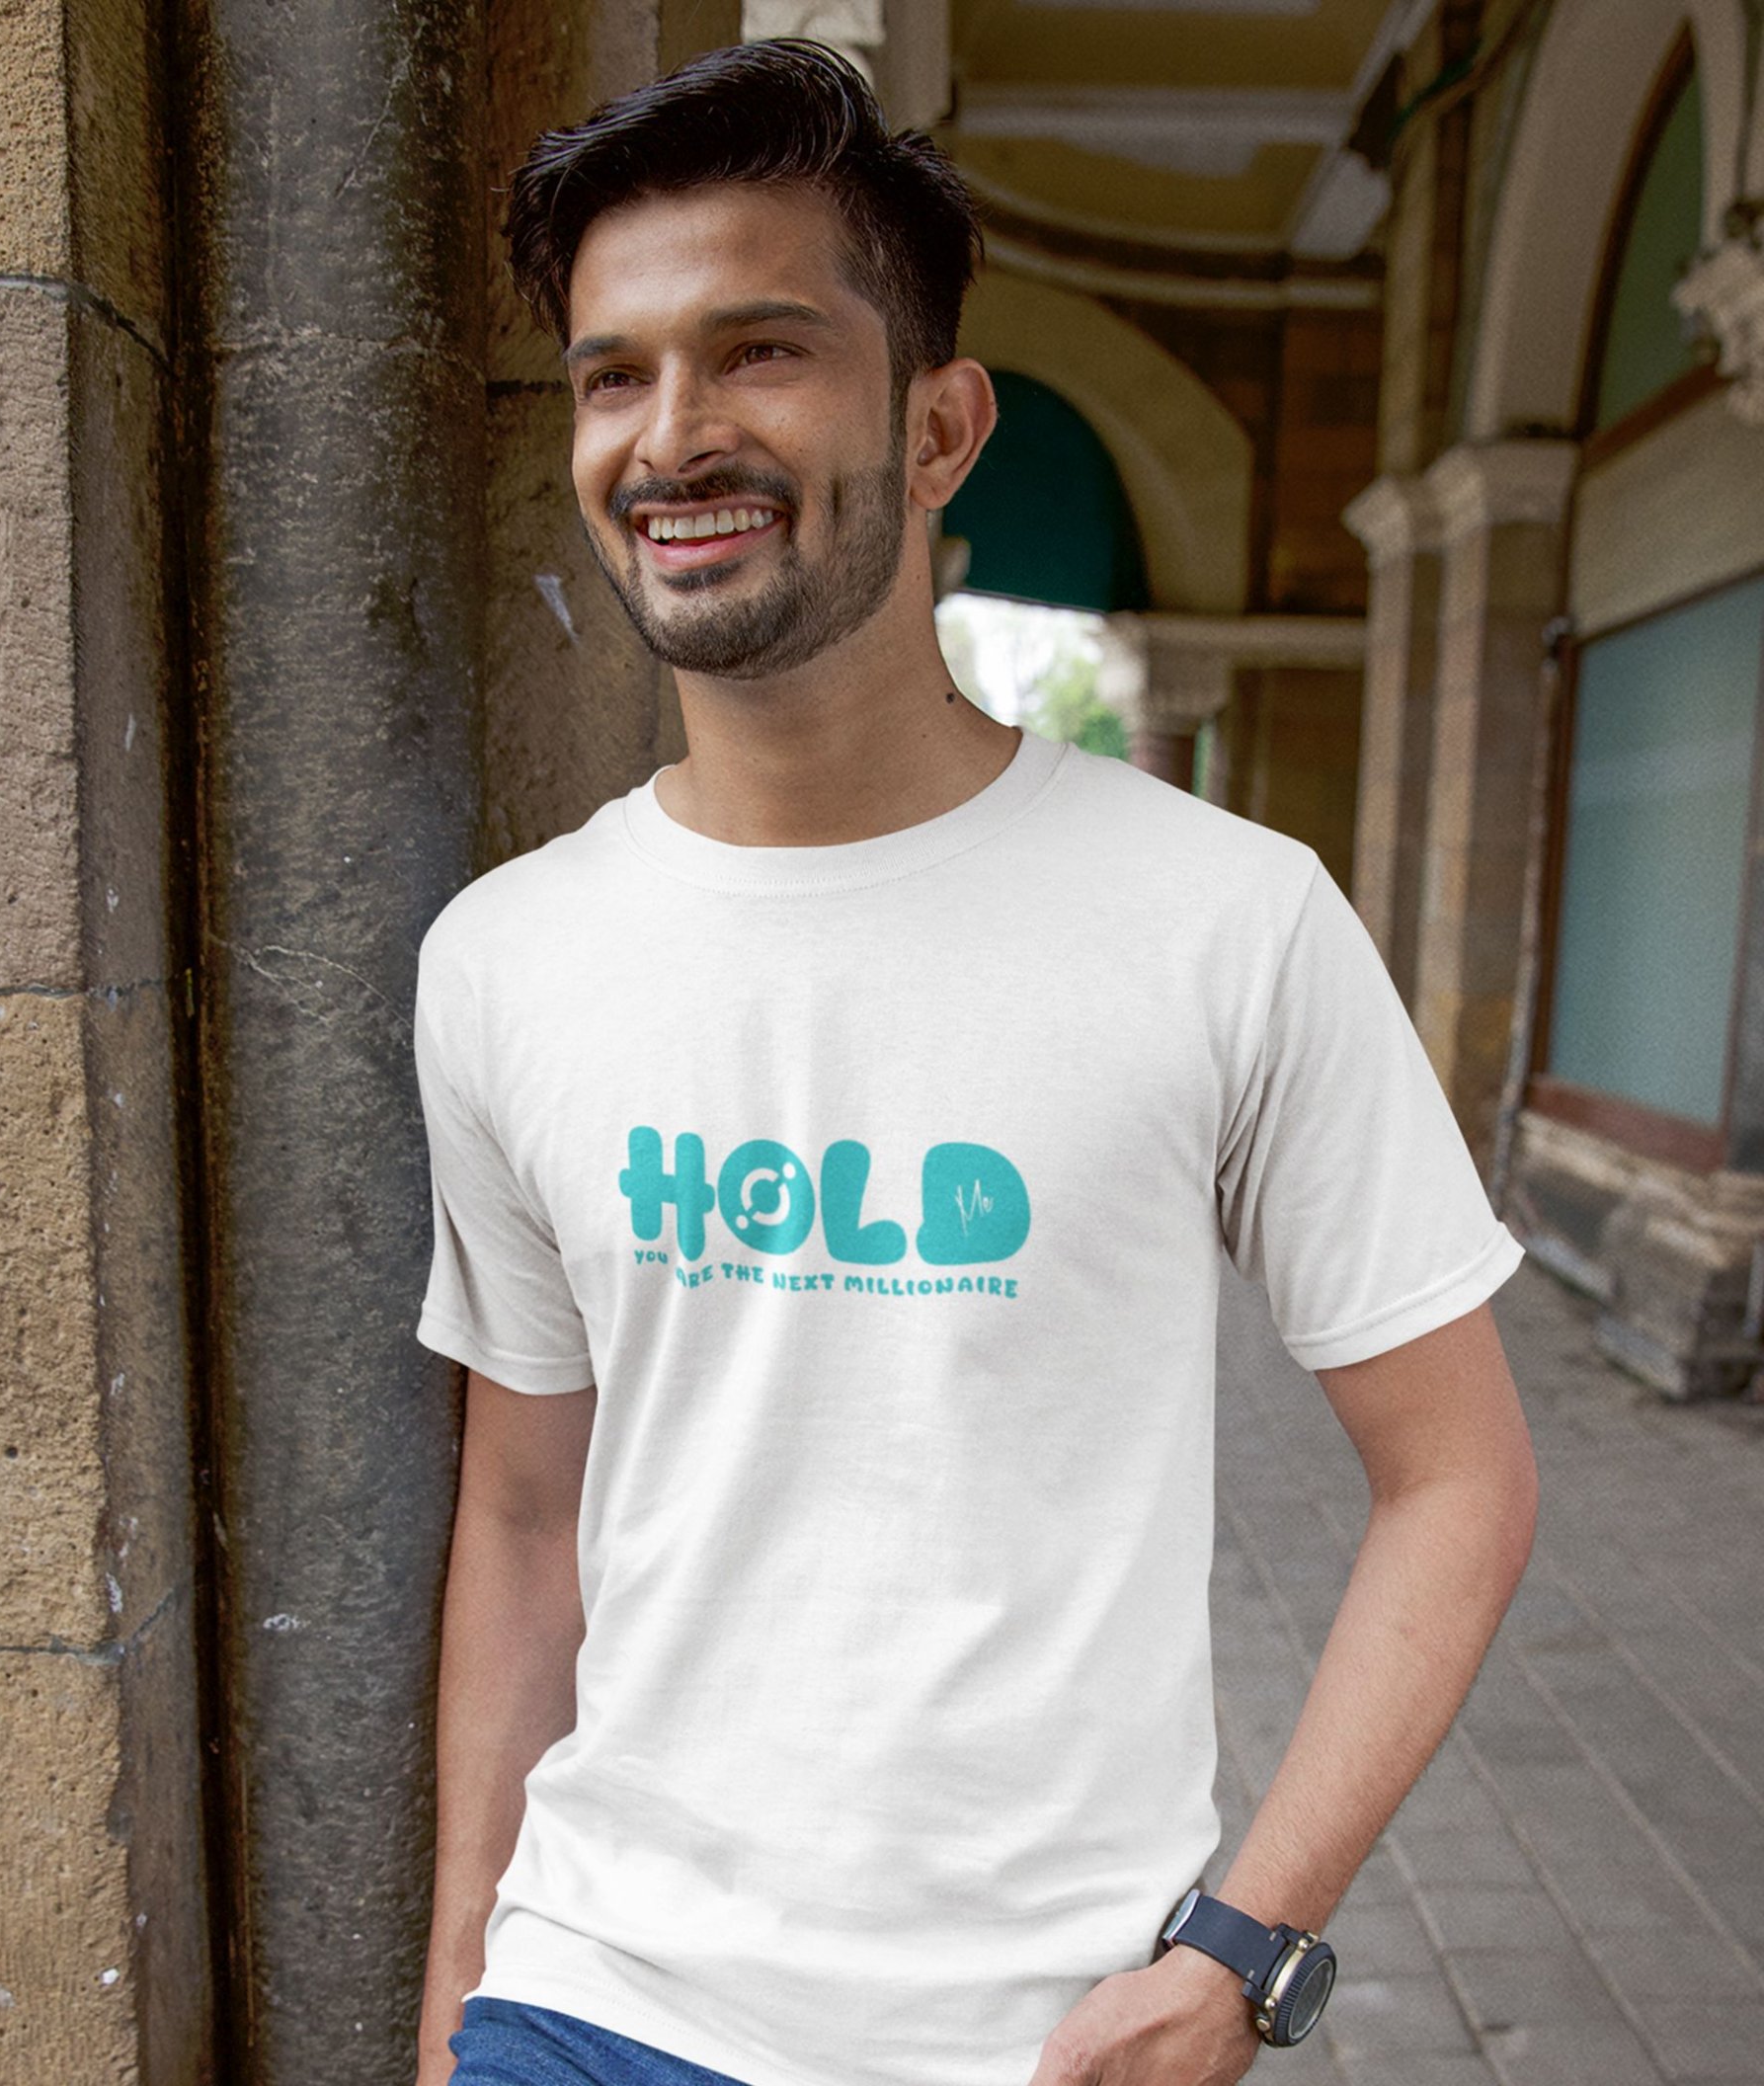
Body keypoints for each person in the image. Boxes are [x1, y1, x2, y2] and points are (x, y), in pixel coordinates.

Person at [411, 38, 1539, 2086]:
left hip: (1038, 2038)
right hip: (589, 2010)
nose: (672, 436)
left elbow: (1459, 1476)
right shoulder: (505, 959)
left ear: (938, 427)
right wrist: (453, 2014)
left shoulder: (1228, 918)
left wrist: (1246, 1950)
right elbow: (521, 1525)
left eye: (761, 351)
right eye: (613, 373)